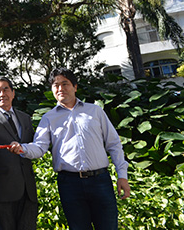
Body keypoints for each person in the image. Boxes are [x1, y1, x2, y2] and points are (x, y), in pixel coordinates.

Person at [10, 68, 131, 230]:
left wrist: (122, 175)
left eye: (64, 84)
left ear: (75, 87)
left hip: (100, 181)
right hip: (69, 184)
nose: (60, 88)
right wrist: (22, 149)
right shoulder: (48, 118)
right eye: (55, 85)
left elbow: (114, 144)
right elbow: (39, 147)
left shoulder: (95, 111)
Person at [0, 77, 38, 230]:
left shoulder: (25, 118)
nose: (2, 93)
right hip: (2, 190)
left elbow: (33, 145)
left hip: (28, 190)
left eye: (6, 89)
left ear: (13, 93)